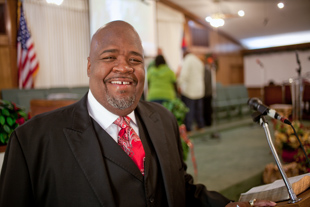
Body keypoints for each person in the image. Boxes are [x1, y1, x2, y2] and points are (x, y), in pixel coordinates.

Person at [0, 20, 276, 207]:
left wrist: (234, 204)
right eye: (109, 57)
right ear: (88, 66)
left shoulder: (163, 119)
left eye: (135, 59)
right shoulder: (32, 141)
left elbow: (181, 188)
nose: (124, 67)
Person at [178, 50, 205, 132]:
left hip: (190, 90)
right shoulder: (198, 61)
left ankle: (188, 129)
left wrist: (179, 84)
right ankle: (200, 126)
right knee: (198, 110)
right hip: (199, 90)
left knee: (189, 110)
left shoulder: (187, 60)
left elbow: (184, 75)